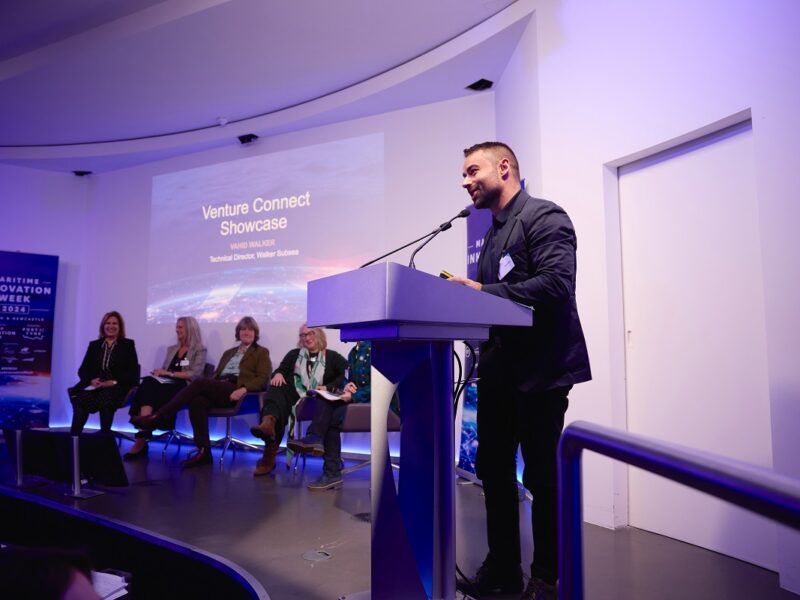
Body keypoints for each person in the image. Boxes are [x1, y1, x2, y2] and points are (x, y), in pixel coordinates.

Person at [450, 142, 592, 600]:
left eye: (473, 171)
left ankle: (547, 578)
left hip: (541, 373)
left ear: (504, 167)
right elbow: (496, 299)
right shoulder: (491, 235)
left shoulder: (546, 217)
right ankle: (504, 569)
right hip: (498, 375)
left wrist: (482, 291)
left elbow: (555, 283)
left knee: (541, 479)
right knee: (492, 471)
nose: (465, 181)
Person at [131, 316, 271, 467]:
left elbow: (263, 378)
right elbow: (217, 374)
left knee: (199, 382)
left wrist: (244, 388)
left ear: (255, 333)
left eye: (250, 329)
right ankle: (204, 452)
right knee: (197, 402)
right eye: (243, 329)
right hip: (220, 386)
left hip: (238, 390)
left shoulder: (261, 352)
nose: (246, 332)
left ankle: (158, 416)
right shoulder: (229, 352)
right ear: (238, 332)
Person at [249, 323, 347, 477]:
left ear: (319, 335)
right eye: (303, 335)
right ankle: (269, 423)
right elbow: (280, 369)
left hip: (316, 402)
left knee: (280, 402)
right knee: (277, 388)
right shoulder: (294, 354)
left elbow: (345, 373)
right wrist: (278, 374)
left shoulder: (332, 356)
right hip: (291, 397)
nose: (307, 338)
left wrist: (328, 386)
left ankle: (269, 452)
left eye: (310, 334)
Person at [288, 340, 372, 490]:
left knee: (331, 419)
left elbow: (382, 383)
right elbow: (348, 377)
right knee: (323, 398)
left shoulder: (377, 350)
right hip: (358, 400)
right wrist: (347, 385)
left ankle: (331, 472)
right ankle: (315, 438)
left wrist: (354, 396)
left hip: (376, 403)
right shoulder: (353, 351)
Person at [124, 316, 207, 460]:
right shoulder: (172, 349)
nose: (177, 330)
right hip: (166, 383)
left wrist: (169, 373)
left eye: (180, 327)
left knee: (149, 385)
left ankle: (141, 438)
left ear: (190, 329)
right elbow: (165, 369)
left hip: (184, 387)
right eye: (177, 326)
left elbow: (195, 374)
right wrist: (160, 373)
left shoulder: (199, 349)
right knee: (148, 382)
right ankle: (145, 429)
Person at [68, 311, 139, 435]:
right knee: (81, 400)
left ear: (120, 327)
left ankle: (104, 439)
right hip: (96, 384)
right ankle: (74, 438)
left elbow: (132, 372)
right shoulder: (94, 345)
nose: (111, 326)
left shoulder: (127, 345)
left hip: (117, 384)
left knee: (106, 399)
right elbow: (83, 370)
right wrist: (91, 380)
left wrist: (113, 382)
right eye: (108, 323)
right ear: (103, 325)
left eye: (114, 323)